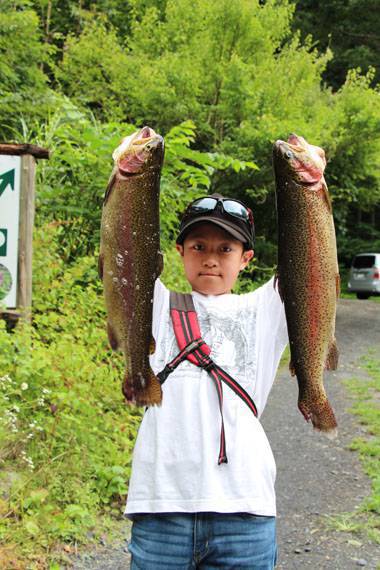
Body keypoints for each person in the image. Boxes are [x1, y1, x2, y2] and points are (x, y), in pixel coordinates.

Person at [126, 193, 288, 569]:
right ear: (179, 251)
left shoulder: (266, 308)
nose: (211, 258)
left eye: (226, 248)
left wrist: (311, 187)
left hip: (245, 508)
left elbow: (310, 261)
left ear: (246, 258)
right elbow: (126, 247)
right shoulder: (154, 303)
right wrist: (130, 179)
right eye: (198, 246)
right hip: (161, 506)